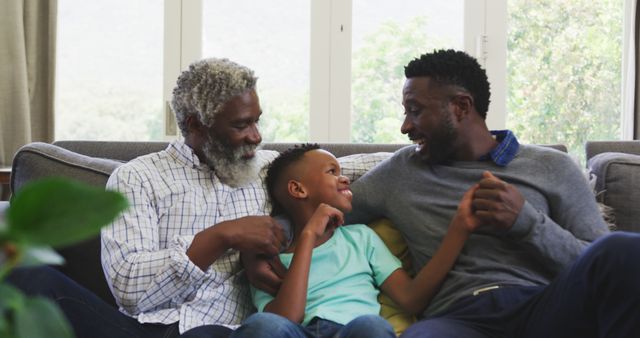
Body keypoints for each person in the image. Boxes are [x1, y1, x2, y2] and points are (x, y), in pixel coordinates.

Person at [345, 49, 640, 337]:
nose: (405, 126)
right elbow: (322, 209)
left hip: (543, 308)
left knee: (625, 249)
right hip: (457, 318)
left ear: (461, 107)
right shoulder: (400, 171)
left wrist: (527, 223)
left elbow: (601, 265)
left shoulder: (552, 166)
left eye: (416, 110)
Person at [8, 58, 287, 338]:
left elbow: (329, 180)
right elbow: (129, 289)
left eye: (256, 121)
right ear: (196, 125)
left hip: (224, 331)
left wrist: (279, 233)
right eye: (241, 125)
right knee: (24, 276)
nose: (256, 136)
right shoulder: (137, 177)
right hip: (138, 331)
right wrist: (221, 236)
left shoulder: (270, 170)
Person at [232, 144, 481, 338]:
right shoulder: (268, 260)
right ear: (298, 190)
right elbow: (286, 318)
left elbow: (411, 298)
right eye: (332, 171)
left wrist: (458, 231)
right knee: (261, 324)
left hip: (352, 331)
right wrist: (308, 236)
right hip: (297, 332)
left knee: (372, 325)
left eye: (341, 171)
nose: (344, 179)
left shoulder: (361, 237)